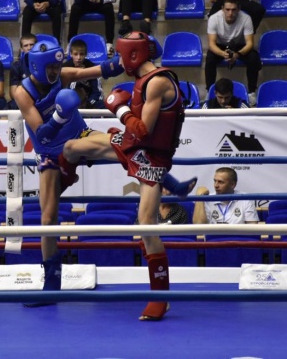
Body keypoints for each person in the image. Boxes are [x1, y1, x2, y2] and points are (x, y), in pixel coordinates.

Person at [62, 32, 197, 321]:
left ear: (134, 56)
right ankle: (66, 177)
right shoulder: (145, 79)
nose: (119, 63)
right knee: (73, 147)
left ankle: (161, 297)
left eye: (122, 56)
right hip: (136, 146)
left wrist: (119, 108)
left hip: (152, 158)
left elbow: (144, 130)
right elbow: (137, 133)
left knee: (146, 224)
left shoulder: (157, 82)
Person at [13, 39, 124, 306]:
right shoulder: (23, 93)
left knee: (124, 144)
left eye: (56, 66)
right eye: (50, 68)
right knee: (48, 217)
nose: (55, 72)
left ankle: (166, 179)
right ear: (36, 66)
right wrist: (59, 117)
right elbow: (42, 133)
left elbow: (94, 71)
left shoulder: (62, 75)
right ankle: (51, 284)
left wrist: (125, 61)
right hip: (50, 153)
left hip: (79, 136)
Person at [205, 0, 262, 106]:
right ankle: (209, 91)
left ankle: (251, 92)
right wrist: (223, 54)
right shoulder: (214, 18)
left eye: (233, 10)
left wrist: (237, 54)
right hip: (220, 46)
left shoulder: (246, 18)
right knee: (210, 57)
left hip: (239, 46)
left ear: (238, 9)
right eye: (227, 9)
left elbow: (250, 43)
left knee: (253, 57)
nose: (230, 13)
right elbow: (211, 44)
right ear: (222, 9)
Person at [193, 167, 259, 224]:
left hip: (238, 235)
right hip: (214, 235)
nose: (216, 185)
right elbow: (199, 226)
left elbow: (253, 228)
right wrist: (199, 197)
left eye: (220, 182)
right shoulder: (208, 199)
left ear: (232, 185)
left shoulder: (245, 199)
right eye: (215, 181)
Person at [63, 38, 105, 109]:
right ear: (71, 54)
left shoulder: (91, 67)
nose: (78, 58)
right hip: (69, 100)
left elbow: (97, 91)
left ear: (85, 54)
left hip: (88, 100)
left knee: (103, 106)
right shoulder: (64, 68)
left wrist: (88, 103)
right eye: (75, 54)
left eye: (81, 54)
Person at [8, 34, 36, 110]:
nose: (29, 48)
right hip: (23, 99)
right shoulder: (16, 66)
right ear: (22, 49)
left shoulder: (44, 63)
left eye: (32, 45)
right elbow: (13, 93)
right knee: (11, 105)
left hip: (40, 99)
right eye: (26, 45)